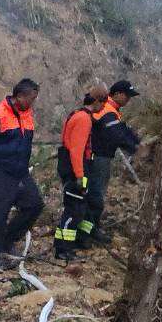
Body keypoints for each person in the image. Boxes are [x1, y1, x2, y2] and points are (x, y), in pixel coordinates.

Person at [0, 78, 42, 271]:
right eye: (31, 99)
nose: (33, 103)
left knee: (34, 205)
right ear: (19, 96)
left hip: (20, 173)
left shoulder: (27, 115)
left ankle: (6, 240)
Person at [80, 79, 141, 248]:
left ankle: (89, 230)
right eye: (127, 96)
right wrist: (136, 148)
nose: (128, 99)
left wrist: (137, 143)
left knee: (95, 194)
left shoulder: (111, 110)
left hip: (100, 156)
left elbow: (123, 130)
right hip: (98, 157)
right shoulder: (107, 110)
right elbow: (117, 135)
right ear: (117, 94)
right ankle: (88, 233)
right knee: (96, 195)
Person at [54, 86, 108, 262]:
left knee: (82, 206)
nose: (104, 106)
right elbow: (76, 150)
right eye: (104, 102)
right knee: (74, 209)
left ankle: (77, 241)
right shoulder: (84, 119)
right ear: (97, 101)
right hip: (76, 169)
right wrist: (79, 175)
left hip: (74, 168)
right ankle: (63, 249)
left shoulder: (77, 114)